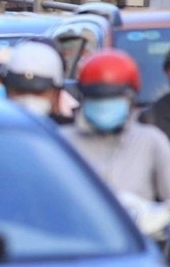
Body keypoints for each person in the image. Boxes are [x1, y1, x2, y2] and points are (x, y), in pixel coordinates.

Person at [67, 50, 170, 202]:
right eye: (98, 97)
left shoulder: (150, 142)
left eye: (114, 96)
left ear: (130, 98)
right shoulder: (63, 143)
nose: (105, 105)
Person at [2, 41, 66, 121]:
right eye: (20, 91)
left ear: (56, 94)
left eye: (38, 92)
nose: (27, 100)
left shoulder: (69, 128)